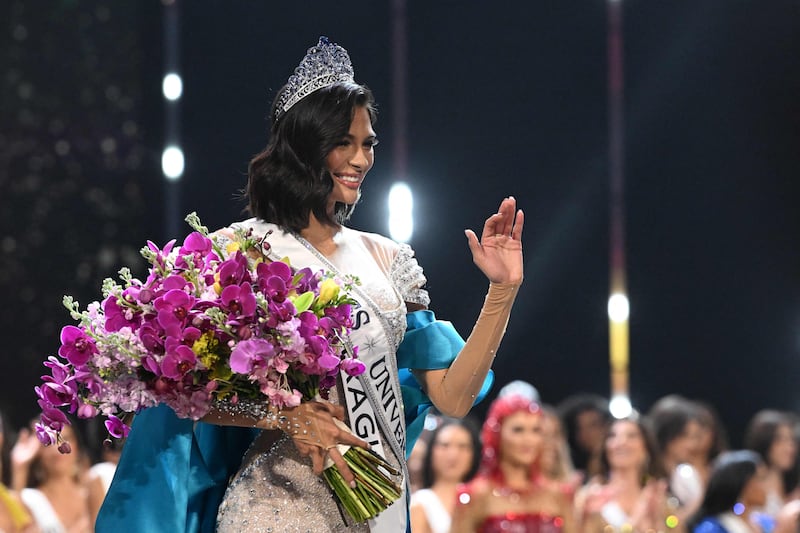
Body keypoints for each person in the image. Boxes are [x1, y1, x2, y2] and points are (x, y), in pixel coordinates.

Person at [96, 36, 524, 533]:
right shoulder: (241, 250)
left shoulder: (387, 257)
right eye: (343, 142)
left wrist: (502, 291)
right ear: (304, 146)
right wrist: (284, 417)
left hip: (373, 508)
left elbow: (452, 399)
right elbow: (178, 392)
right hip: (275, 505)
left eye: (367, 144)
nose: (360, 159)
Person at [450, 394, 574, 532]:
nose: (529, 439)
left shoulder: (558, 494)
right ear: (497, 434)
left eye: (536, 430)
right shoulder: (476, 495)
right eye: (518, 430)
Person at [576, 416, 681, 533]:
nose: (621, 442)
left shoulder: (659, 499)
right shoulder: (590, 498)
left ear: (646, 449)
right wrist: (637, 518)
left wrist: (656, 520)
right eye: (613, 436)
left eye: (631, 436)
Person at [14, 423, 103, 533]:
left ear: (77, 445)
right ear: (36, 451)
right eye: (48, 443)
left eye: (66, 438)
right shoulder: (31, 499)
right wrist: (20, 468)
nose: (58, 448)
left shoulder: (96, 484)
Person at [409, 416, 481, 533]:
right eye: (445, 445)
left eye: (463, 446)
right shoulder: (419, 503)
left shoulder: (482, 498)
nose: (453, 455)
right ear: (432, 450)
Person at [743, 410, 799, 520]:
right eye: (780, 440)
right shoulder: (750, 486)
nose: (789, 448)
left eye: (791, 440)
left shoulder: (794, 488)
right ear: (765, 441)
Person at [557, 393, 610, 477]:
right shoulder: (573, 466)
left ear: (606, 426)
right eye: (580, 428)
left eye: (592, 425)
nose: (586, 433)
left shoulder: (616, 464)